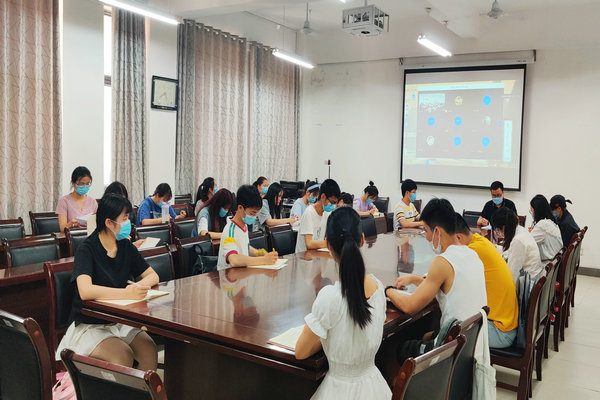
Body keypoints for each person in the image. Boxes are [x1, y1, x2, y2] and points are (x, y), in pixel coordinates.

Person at [295, 206, 391, 400]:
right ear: (362, 240)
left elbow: (301, 352)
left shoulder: (330, 298)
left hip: (338, 391)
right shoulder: (378, 289)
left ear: (328, 245)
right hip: (376, 388)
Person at [55, 194, 159, 370]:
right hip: (90, 324)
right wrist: (126, 293)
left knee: (149, 349)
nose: (128, 223)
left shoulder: (125, 246)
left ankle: (142, 388)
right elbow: (85, 291)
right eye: (124, 218)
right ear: (109, 222)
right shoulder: (87, 249)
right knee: (123, 355)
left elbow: (152, 275)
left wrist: (139, 287)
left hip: (117, 320)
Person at [386, 199, 487, 349]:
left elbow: (410, 306)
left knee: (397, 347)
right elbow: (444, 288)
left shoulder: (443, 262)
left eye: (426, 230)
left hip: (452, 350)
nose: (426, 237)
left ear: (437, 231)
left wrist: (387, 290)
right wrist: (414, 279)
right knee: (425, 334)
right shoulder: (472, 255)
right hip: (473, 345)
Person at [455, 213, 518, 349]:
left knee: (450, 331)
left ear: (458, 237)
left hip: (500, 332)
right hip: (505, 326)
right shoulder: (480, 241)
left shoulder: (471, 251)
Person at [217, 185, 279, 271]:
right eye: (252, 213)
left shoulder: (244, 225)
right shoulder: (230, 231)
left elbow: (242, 246)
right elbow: (234, 260)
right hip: (229, 277)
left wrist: (257, 252)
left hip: (242, 274)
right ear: (240, 208)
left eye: (256, 213)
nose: (254, 217)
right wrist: (263, 260)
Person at [492, 208, 542, 282]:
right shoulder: (521, 231)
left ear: (503, 228)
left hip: (526, 284)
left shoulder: (518, 240)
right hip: (530, 278)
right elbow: (511, 251)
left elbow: (512, 275)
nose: (498, 233)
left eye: (497, 230)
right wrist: (497, 248)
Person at [295, 179, 341, 253]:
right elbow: (309, 244)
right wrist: (330, 243)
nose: (333, 206)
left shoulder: (327, 213)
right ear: (323, 197)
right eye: (332, 202)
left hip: (317, 254)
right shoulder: (309, 213)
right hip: (304, 257)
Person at [56, 166, 98, 231]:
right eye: (81, 184)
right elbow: (62, 228)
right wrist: (71, 224)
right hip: (72, 235)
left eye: (87, 184)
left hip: (90, 235)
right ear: (73, 183)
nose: (85, 186)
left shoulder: (92, 201)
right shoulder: (64, 201)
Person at [529, 195, 563, 261]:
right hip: (554, 263)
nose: (532, 214)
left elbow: (527, 242)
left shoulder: (543, 225)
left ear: (537, 211)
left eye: (532, 211)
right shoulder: (550, 221)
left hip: (547, 264)